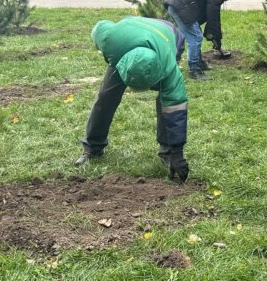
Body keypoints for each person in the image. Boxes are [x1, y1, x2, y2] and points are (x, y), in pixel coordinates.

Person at [75, 16, 190, 182]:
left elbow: (175, 106)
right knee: (106, 96)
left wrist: (177, 152)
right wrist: (109, 58)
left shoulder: (168, 66)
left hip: (168, 34)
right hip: (129, 32)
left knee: (166, 100)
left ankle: (168, 152)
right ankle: (93, 146)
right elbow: (100, 26)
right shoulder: (110, 41)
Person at [164, 0, 240, 80]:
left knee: (191, 35)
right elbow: (213, 14)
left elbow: (209, 13)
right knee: (195, 37)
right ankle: (194, 70)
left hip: (179, 7)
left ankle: (189, 64)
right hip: (182, 8)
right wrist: (214, 36)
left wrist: (213, 34)